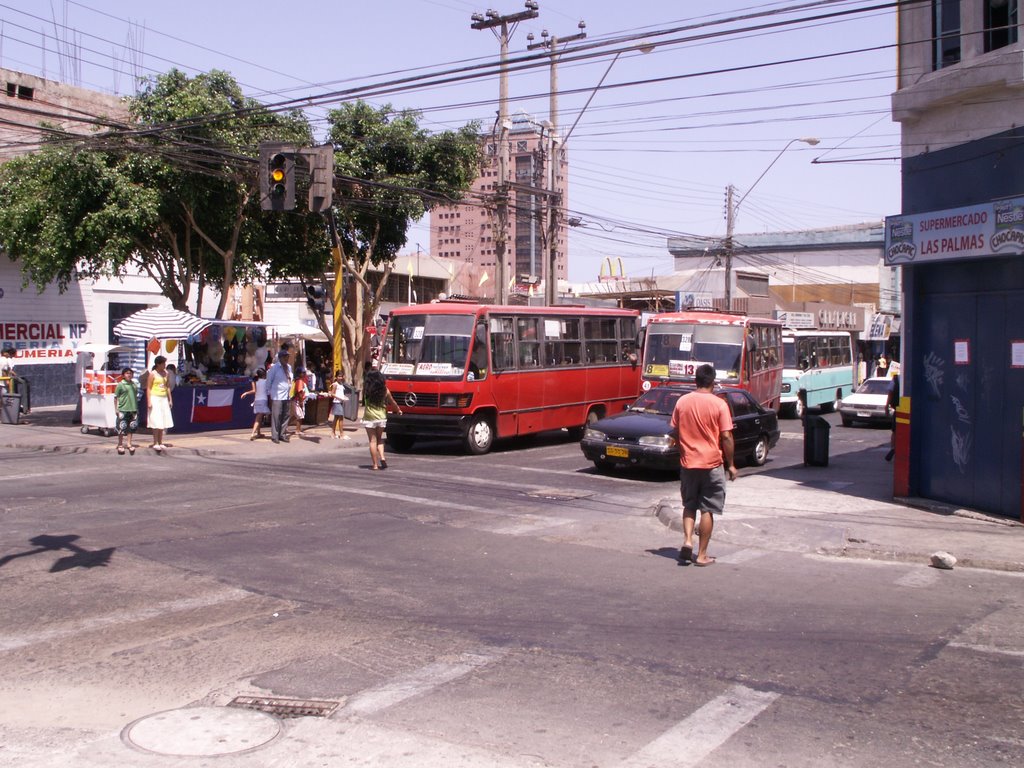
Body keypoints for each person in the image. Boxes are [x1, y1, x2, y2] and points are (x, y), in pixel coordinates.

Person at [669, 364, 737, 567]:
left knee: (689, 504)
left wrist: (683, 448)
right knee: (707, 509)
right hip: (711, 464)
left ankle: (688, 540)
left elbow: (674, 431)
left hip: (688, 463)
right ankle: (701, 555)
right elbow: (726, 436)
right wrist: (731, 464)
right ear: (713, 382)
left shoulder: (682, 402)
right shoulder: (719, 404)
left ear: (695, 380)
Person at [362, 369, 402, 470]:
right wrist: (398, 410)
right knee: (380, 439)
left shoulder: (367, 391)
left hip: (369, 417)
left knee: (372, 441)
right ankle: (382, 457)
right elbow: (392, 402)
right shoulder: (385, 390)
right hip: (381, 417)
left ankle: (375, 465)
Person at [147, 355, 174, 452]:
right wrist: (149, 401)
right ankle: (155, 442)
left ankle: (161, 441)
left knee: (163, 419)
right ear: (158, 364)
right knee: (156, 420)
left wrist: (170, 399)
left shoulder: (166, 373)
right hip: (155, 397)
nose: (164, 365)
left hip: (163, 398)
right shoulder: (152, 374)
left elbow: (168, 387)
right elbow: (149, 388)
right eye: (163, 363)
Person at [265, 349, 293, 443]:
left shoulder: (289, 367)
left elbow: (290, 379)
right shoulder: (274, 368)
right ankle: (275, 436)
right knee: (276, 416)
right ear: (280, 358)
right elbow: (269, 381)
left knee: (286, 415)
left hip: (287, 395)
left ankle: (282, 434)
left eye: (287, 356)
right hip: (277, 396)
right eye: (285, 356)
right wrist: (269, 394)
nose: (287, 358)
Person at [113, 367, 139, 455]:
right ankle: (120, 444)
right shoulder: (120, 385)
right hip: (123, 409)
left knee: (131, 427)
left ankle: (129, 443)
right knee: (121, 427)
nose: (129, 375)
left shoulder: (134, 385)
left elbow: (135, 396)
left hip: (133, 409)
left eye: (130, 373)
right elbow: (115, 397)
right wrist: (116, 409)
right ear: (123, 375)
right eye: (127, 373)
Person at [240, 368, 269, 441]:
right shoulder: (266, 381)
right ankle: (253, 433)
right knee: (258, 418)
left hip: (256, 400)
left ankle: (258, 433)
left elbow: (254, 391)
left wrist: (246, 393)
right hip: (263, 400)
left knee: (259, 417)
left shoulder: (255, 381)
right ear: (264, 375)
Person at [0, 346, 30, 414]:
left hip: (2, 382)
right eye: (8, 352)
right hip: (3, 383)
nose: (9, 354)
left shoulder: (2, 359)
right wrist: (7, 381)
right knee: (5, 398)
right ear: (4, 353)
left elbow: (8, 370)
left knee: (3, 398)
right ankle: (7, 413)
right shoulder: (5, 360)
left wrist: (14, 374)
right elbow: (4, 371)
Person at [330, 370, 350, 440]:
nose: (340, 378)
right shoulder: (335, 384)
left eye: (341, 376)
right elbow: (332, 394)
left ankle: (333, 432)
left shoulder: (341, 384)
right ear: (336, 377)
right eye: (339, 376)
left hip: (340, 402)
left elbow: (340, 393)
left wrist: (344, 397)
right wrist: (340, 398)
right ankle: (341, 434)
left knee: (336, 418)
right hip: (337, 402)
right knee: (340, 418)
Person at [290, 368, 308, 436]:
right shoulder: (300, 381)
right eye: (302, 373)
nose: (304, 374)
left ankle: (285, 426)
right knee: (300, 416)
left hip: (295, 399)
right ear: (299, 374)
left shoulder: (296, 380)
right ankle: (298, 430)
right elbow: (300, 392)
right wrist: (301, 401)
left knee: (296, 415)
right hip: (298, 400)